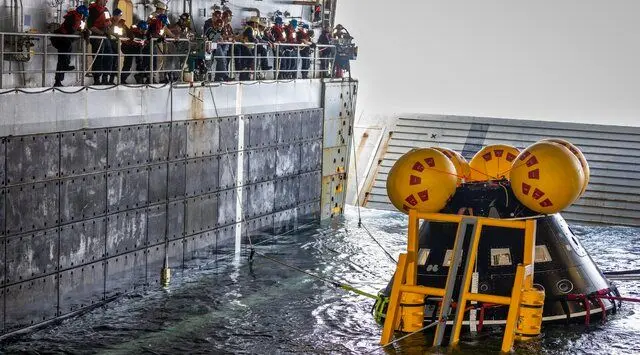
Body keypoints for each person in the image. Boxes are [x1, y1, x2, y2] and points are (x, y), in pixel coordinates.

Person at [51, 5, 88, 87]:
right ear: (82, 14)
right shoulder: (72, 17)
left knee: (64, 58)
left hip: (65, 40)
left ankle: (58, 80)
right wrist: (79, 32)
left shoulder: (77, 18)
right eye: (84, 16)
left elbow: (77, 29)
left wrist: (83, 31)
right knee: (63, 58)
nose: (84, 18)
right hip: (60, 39)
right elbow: (70, 30)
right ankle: (59, 79)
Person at [87, 0, 114, 85]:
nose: (106, 2)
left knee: (109, 56)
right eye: (105, 0)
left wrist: (109, 24)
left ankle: (105, 78)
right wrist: (101, 32)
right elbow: (90, 26)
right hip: (97, 36)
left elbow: (108, 21)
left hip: (105, 36)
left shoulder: (105, 10)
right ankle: (97, 79)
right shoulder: (92, 10)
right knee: (98, 57)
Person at [106, 8, 123, 84]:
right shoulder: (109, 22)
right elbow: (108, 32)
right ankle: (105, 79)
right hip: (109, 44)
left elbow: (123, 33)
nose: (119, 17)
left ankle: (111, 80)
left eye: (120, 16)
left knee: (115, 63)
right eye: (119, 15)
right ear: (115, 15)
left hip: (116, 45)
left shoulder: (121, 23)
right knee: (108, 62)